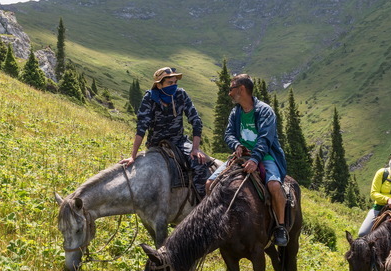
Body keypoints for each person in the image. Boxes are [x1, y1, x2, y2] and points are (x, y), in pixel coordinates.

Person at [206, 74, 289, 246]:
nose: (229, 93)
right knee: (209, 183)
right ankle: (214, 221)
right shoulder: (235, 112)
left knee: (274, 186)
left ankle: (280, 226)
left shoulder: (265, 111)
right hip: (241, 157)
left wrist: (255, 159)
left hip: (265, 156)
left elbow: (265, 139)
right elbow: (228, 134)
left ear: (242, 89)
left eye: (231, 89)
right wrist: (236, 145)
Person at [119, 67, 210, 199]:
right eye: (169, 83)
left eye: (175, 82)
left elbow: (196, 120)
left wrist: (195, 149)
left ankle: (202, 203)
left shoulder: (181, 95)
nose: (173, 86)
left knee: (200, 165)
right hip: (156, 144)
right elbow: (141, 127)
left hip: (179, 141)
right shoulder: (149, 99)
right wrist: (133, 156)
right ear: (159, 84)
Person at [357, 150, 391, 237]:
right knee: (363, 233)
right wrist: (387, 199)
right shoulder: (382, 173)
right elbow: (374, 193)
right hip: (379, 207)